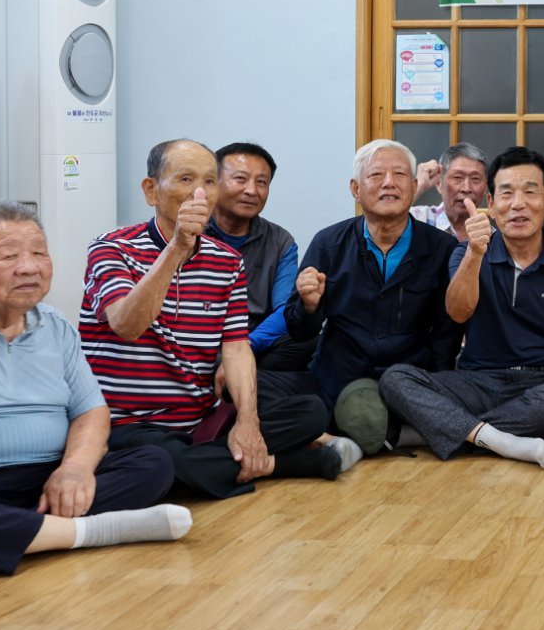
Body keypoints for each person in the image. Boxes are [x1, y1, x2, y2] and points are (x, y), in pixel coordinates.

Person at [80, 140, 355, 500]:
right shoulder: (111, 248)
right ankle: (279, 464)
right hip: (131, 424)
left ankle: (208, 463)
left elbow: (237, 348)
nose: (200, 193)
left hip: (202, 420)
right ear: (151, 190)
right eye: (186, 179)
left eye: (209, 181)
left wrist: (248, 422)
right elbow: (127, 325)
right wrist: (177, 249)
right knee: (160, 459)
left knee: (311, 412)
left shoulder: (226, 260)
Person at [0, 203, 189, 576]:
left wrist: (75, 469)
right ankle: (89, 532)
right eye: (9, 256)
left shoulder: (54, 325)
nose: (29, 267)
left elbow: (91, 409)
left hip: (47, 478)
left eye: (39, 253)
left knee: (153, 463)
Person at [380, 148, 544, 468]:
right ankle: (497, 440)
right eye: (507, 193)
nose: (517, 204)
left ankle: (439, 431)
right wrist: (475, 252)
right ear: (491, 202)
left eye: (530, 192)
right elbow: (458, 312)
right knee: (395, 379)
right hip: (479, 380)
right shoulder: (466, 253)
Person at [270, 139, 463, 455]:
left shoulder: (441, 248)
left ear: (415, 186)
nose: (389, 183)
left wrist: (436, 389)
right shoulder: (328, 243)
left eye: (399, 174)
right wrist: (308, 305)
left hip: (406, 382)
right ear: (356, 189)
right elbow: (298, 329)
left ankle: (354, 435)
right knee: (251, 387)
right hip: (335, 378)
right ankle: (354, 434)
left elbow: (447, 331)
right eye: (376, 175)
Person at [205, 141, 315, 371]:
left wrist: (245, 347)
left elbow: (285, 310)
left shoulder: (280, 241)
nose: (252, 190)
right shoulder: (190, 233)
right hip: (200, 339)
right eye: (240, 179)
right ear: (212, 183)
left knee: (309, 341)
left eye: (261, 182)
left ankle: (238, 379)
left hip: (253, 341)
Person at [411, 142, 489, 244]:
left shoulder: (489, 236)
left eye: (475, 179)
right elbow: (389, 223)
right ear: (439, 183)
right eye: (457, 177)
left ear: (485, 188)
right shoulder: (418, 218)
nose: (466, 188)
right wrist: (419, 186)